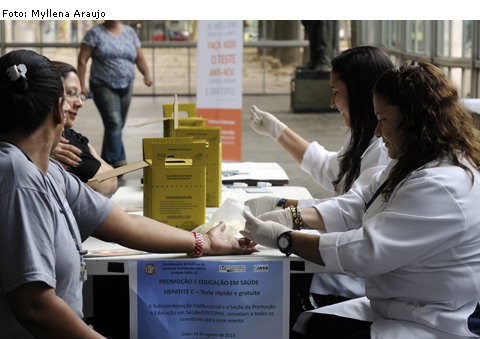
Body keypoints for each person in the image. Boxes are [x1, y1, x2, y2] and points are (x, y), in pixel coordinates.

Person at [0, 49, 256, 339]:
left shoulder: (45, 171)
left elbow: (124, 225)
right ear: (58, 110)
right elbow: (34, 308)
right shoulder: (18, 178)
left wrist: (204, 242)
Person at [241, 61, 480, 338]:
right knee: (305, 325)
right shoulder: (413, 160)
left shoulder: (442, 186)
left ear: (415, 121)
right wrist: (290, 215)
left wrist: (284, 238)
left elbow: (365, 251)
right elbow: (357, 204)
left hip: (434, 322)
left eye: (383, 120)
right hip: (396, 306)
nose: (378, 132)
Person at [246, 46, 393, 308]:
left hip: (359, 281)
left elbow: (354, 210)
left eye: (336, 93)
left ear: (360, 94)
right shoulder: (367, 137)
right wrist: (278, 131)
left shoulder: (386, 148)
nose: (332, 103)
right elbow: (337, 174)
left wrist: (289, 217)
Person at [78, 20, 152, 168]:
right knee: (114, 123)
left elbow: (139, 57)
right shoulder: (95, 33)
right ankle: (118, 162)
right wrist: (81, 84)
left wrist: (146, 74)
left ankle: (106, 160)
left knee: (117, 125)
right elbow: (82, 59)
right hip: (103, 84)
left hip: (127, 85)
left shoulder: (130, 32)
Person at [51, 61, 117, 194]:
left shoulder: (64, 139)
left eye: (80, 96)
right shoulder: (65, 143)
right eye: (71, 93)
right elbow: (110, 182)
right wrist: (93, 155)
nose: (79, 103)